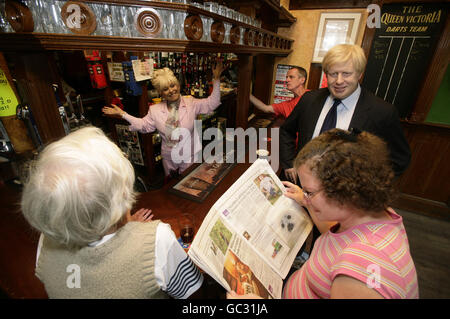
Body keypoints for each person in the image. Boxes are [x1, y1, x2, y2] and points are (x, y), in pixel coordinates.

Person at [229, 128, 419, 299]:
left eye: (309, 192)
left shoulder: (362, 269)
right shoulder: (371, 213)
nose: (305, 196)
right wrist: (306, 200)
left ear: (343, 189)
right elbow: (337, 239)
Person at [21, 126, 203, 298]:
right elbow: (190, 290)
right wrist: (136, 233)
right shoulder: (156, 239)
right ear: (123, 194)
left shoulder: (46, 240)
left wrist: (128, 225)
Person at [280, 44, 411, 183]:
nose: (339, 81)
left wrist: (366, 187)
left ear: (359, 74)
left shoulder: (382, 112)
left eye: (346, 74)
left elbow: (399, 159)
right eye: (333, 74)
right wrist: (289, 164)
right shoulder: (309, 99)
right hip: (301, 186)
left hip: (344, 197)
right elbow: (286, 130)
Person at [102, 62, 224, 177]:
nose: (171, 90)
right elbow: (143, 125)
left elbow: (212, 103)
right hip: (169, 158)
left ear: (178, 85)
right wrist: (123, 114)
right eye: (165, 89)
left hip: (190, 156)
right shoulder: (154, 110)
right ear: (161, 93)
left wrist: (216, 79)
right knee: (172, 186)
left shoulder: (191, 102)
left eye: (173, 85)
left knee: (190, 185)